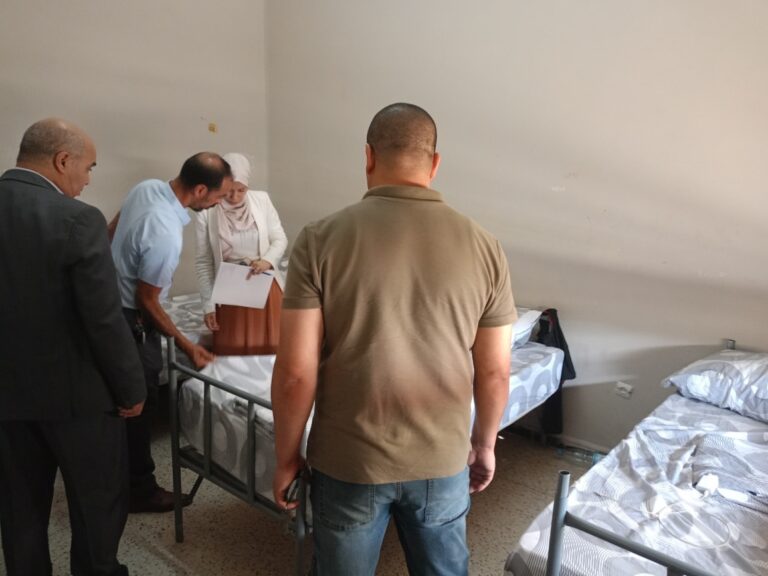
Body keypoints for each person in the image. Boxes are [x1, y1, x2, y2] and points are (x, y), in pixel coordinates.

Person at [271, 103, 516, 575]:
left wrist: (286, 457)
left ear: (368, 157)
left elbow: (295, 373)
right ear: (435, 163)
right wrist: (484, 444)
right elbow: (494, 371)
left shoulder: (320, 239)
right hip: (442, 458)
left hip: (349, 460)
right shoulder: (485, 246)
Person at [0, 118, 146, 575]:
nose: (87, 179)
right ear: (63, 160)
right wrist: (131, 389)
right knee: (96, 502)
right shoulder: (78, 219)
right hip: (77, 397)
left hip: (6, 395)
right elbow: (103, 320)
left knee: (18, 506)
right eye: (89, 167)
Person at [110, 152, 232, 513]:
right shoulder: (165, 232)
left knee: (122, 401)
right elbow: (146, 300)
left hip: (109, 303)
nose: (220, 203)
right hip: (131, 318)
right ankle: (139, 490)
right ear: (200, 190)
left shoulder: (147, 188)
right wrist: (188, 347)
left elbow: (111, 230)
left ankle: (115, 479)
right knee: (138, 402)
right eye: (219, 196)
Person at [194, 152, 288, 355]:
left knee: (271, 351)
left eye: (241, 190)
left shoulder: (261, 200)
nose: (235, 197)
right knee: (233, 351)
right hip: (230, 290)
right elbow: (204, 262)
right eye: (229, 191)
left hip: (264, 285)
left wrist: (267, 260)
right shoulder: (208, 211)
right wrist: (208, 306)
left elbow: (280, 239)